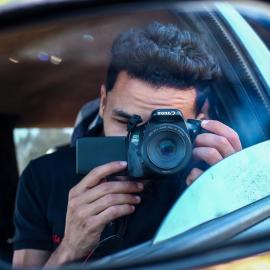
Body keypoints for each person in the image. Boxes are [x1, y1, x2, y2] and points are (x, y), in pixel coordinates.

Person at [12, 22, 242, 268]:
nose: (140, 141)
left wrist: (236, 192)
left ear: (201, 121)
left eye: (163, 133)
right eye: (125, 121)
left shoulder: (208, 179)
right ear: (102, 103)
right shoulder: (44, 177)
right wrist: (70, 248)